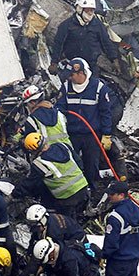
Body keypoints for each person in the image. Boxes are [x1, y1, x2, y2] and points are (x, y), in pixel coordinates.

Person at [55, 58, 117, 190]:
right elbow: (59, 109)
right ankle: (73, 188)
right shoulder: (66, 87)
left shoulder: (99, 88)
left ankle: (91, 189)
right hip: (72, 134)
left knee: (91, 165)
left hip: (92, 135)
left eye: (72, 75)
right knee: (70, 163)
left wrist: (106, 134)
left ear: (81, 73)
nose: (70, 78)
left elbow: (105, 113)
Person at [51, 0, 121, 80]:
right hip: (73, 66)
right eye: (87, 10)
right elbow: (58, 44)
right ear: (79, 9)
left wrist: (114, 59)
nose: (90, 13)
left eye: (92, 10)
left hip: (91, 66)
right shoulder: (66, 25)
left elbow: (106, 42)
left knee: (92, 88)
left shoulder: (97, 25)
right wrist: (54, 62)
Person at [17, 134, 90, 217]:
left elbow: (29, 184)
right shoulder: (62, 145)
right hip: (83, 188)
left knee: (65, 222)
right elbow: (79, 163)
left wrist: (13, 194)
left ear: (32, 151)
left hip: (67, 197)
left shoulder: (39, 163)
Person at [19, 84, 73, 150]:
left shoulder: (31, 120)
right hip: (67, 150)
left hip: (48, 154)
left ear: (32, 102)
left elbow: (28, 139)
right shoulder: (59, 113)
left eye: (27, 104)